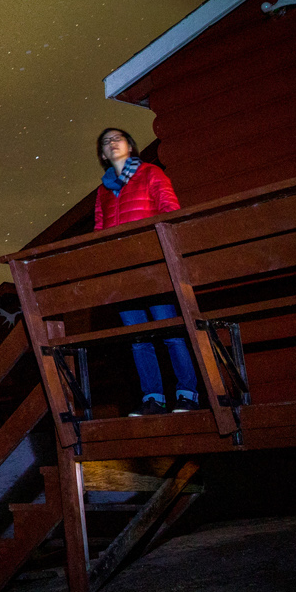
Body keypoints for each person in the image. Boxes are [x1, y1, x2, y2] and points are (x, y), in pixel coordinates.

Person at [95, 127, 200, 416]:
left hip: (154, 266)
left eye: (117, 138)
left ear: (130, 145)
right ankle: (153, 398)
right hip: (123, 273)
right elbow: (99, 233)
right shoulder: (103, 191)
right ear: (103, 155)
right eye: (106, 142)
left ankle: (187, 394)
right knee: (138, 339)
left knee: (170, 332)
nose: (112, 143)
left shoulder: (151, 173)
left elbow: (169, 209)